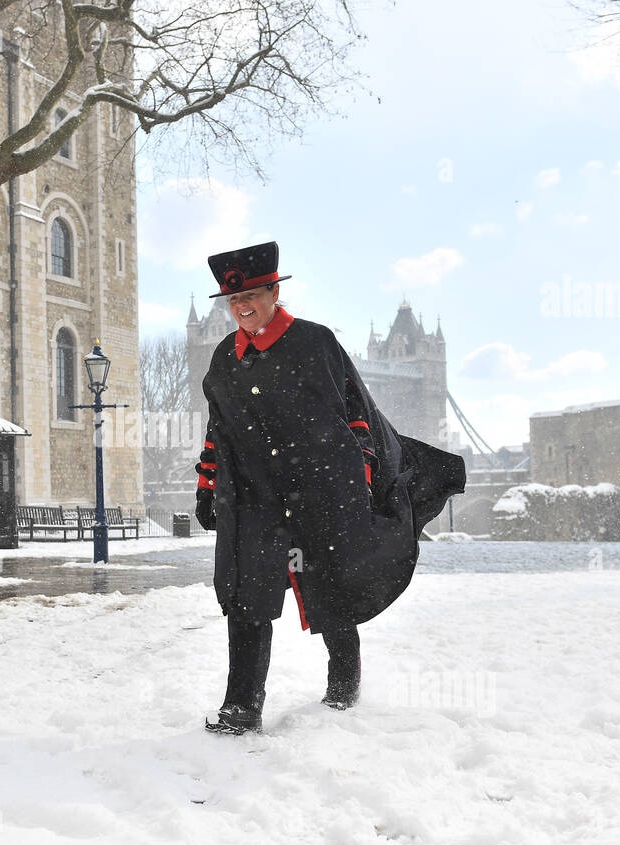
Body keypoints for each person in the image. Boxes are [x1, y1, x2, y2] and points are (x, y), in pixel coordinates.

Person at [194, 242, 467, 734]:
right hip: (253, 498)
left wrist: (360, 478)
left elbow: (356, 412)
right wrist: (207, 484)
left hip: (318, 490)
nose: (243, 308)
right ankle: (242, 706)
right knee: (245, 593)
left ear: (274, 292)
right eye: (234, 302)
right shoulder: (223, 359)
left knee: (328, 583)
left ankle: (344, 681)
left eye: (252, 296)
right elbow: (219, 429)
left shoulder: (316, 343)